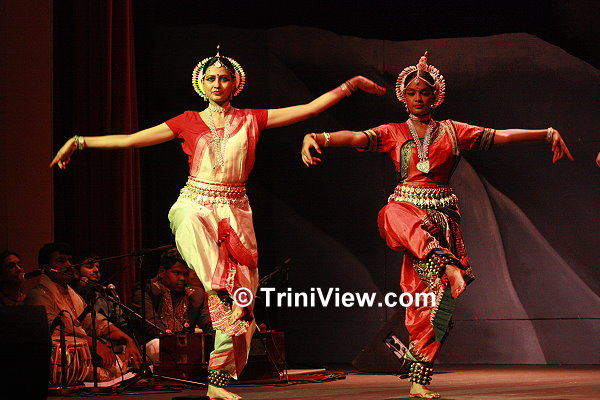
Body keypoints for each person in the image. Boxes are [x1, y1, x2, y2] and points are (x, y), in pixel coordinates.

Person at [49, 46, 385, 399]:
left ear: (235, 83)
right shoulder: (187, 121)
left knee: (242, 309)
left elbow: (309, 109)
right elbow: (133, 139)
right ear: (201, 84)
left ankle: (217, 382)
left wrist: (350, 85)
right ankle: (219, 285)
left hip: (236, 210)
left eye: (224, 78)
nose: (217, 84)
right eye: (211, 78)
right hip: (196, 199)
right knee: (187, 220)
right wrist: (79, 142)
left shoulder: (252, 118)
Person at [301, 52, 573, 399]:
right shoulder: (393, 132)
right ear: (403, 97)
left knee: (431, 304)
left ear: (436, 97)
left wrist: (545, 133)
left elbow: (501, 136)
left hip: (441, 220)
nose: (418, 98)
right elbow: (355, 138)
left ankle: (419, 381)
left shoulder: (453, 131)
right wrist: (318, 136)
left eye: (425, 92)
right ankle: (444, 262)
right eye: (412, 92)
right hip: (406, 212)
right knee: (390, 213)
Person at [23, 242, 142, 383]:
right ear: (45, 268)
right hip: (59, 364)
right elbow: (55, 331)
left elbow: (96, 322)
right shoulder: (38, 296)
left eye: (70, 260)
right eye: (61, 261)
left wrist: (128, 340)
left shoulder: (72, 295)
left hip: (82, 357)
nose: (68, 265)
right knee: (118, 372)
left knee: (132, 366)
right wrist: (95, 344)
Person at [131, 246, 213, 366]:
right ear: (162, 272)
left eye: (185, 274)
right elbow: (152, 327)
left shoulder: (196, 295)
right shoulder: (145, 290)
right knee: (157, 345)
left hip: (186, 347)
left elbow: (208, 323)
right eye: (177, 273)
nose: (182, 278)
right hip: (153, 347)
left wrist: (223, 335)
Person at [70, 254, 133, 337]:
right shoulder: (69, 295)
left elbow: (123, 326)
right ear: (76, 273)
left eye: (98, 268)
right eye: (89, 266)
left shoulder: (106, 298)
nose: (96, 270)